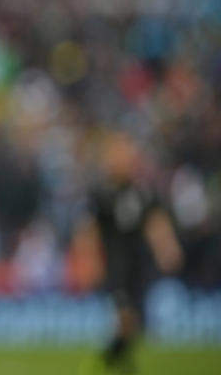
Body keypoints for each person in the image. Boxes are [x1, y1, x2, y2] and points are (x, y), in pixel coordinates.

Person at [77, 132, 183, 372]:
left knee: (136, 322)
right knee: (126, 317)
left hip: (139, 265)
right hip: (116, 265)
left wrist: (167, 248)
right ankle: (109, 362)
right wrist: (89, 261)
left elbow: (155, 222)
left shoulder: (142, 192)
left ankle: (114, 362)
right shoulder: (101, 194)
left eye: (126, 154)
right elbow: (89, 230)